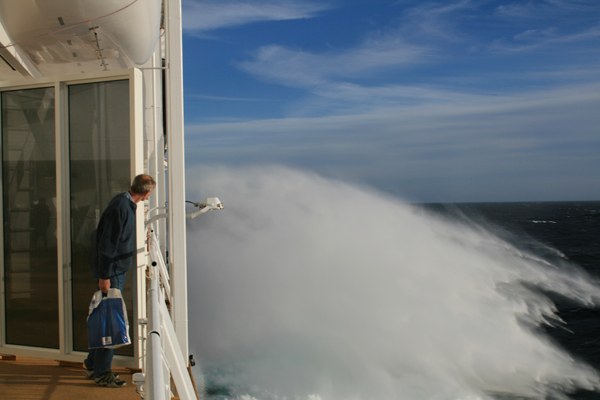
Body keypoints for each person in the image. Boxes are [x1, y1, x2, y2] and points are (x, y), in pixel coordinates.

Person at [84, 174, 155, 387]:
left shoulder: (122, 202)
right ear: (146, 192)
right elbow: (108, 244)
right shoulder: (123, 207)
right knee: (110, 322)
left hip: (113, 271)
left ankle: (93, 364)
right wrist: (105, 276)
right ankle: (102, 372)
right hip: (112, 273)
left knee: (105, 317)